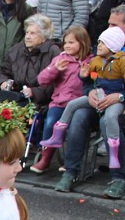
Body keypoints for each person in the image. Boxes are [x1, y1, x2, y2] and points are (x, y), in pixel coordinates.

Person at [55, 5, 125, 196]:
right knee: (79, 115)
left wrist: (121, 97)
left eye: (114, 24)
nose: (108, 28)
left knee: (108, 121)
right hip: (102, 99)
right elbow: (94, 74)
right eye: (108, 24)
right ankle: (71, 171)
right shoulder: (105, 43)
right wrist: (90, 90)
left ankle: (120, 178)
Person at [39, 26, 125, 173]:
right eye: (99, 42)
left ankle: (113, 154)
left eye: (103, 43)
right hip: (99, 96)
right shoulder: (97, 61)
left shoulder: (124, 61)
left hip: (116, 99)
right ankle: (57, 136)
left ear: (112, 45)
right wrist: (84, 76)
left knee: (110, 118)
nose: (98, 46)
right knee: (73, 105)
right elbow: (88, 82)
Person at [31, 26, 92, 175]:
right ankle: (45, 158)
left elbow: (94, 83)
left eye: (71, 42)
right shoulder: (60, 59)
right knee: (50, 123)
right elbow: (41, 80)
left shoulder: (91, 61)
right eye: (66, 43)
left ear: (82, 43)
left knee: (74, 129)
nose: (67, 46)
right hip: (60, 102)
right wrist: (55, 70)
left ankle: (69, 160)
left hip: (79, 104)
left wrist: (87, 75)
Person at [0, 14, 59, 110]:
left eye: (32, 33)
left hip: (38, 102)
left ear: (44, 37)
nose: (28, 37)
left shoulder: (53, 52)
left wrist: (34, 92)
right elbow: (3, 72)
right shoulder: (16, 49)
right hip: (13, 97)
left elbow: (53, 84)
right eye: (27, 33)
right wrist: (2, 82)